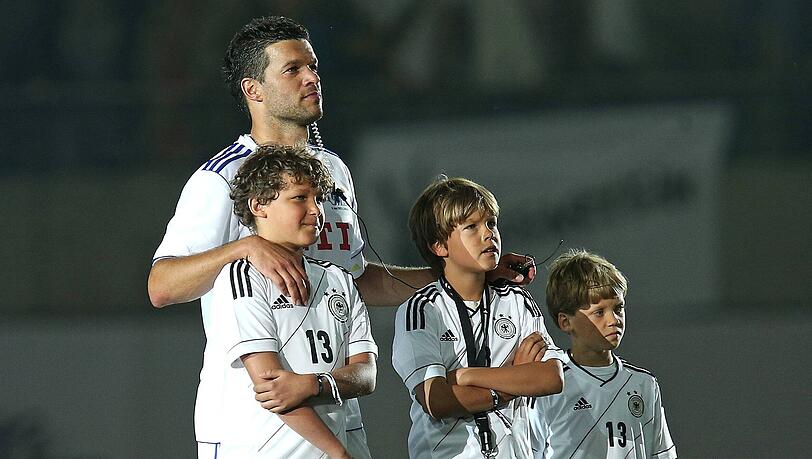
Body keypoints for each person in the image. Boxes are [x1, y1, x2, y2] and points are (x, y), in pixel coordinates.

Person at [147, 16, 531, 458]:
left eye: (313, 66)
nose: (312, 78)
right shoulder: (222, 178)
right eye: (292, 70)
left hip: (337, 418)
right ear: (253, 90)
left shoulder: (333, 171)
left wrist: (463, 274)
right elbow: (161, 286)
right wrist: (246, 245)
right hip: (253, 425)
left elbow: (358, 280)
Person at [214, 144, 376, 457]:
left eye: (318, 198)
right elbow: (272, 388)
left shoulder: (338, 278)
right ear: (260, 206)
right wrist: (338, 452)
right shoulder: (241, 277)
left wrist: (314, 384)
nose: (316, 210)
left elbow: (366, 375)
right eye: (300, 198)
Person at [392, 176, 564, 458]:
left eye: (491, 223)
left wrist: (465, 376)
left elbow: (550, 377)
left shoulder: (516, 301)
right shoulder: (422, 309)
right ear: (439, 246)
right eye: (471, 227)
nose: (489, 234)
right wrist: (509, 386)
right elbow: (436, 399)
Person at [528, 249, 676, 458]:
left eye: (618, 308)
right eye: (599, 312)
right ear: (565, 321)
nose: (613, 319)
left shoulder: (644, 384)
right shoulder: (548, 385)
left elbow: (661, 453)